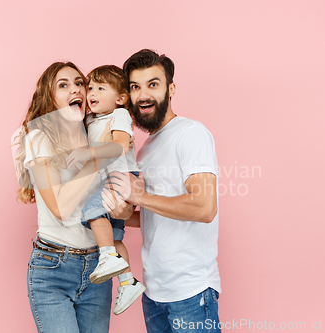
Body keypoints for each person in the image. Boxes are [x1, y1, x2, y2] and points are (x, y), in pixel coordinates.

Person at [101, 49, 222, 332]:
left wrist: (139, 196)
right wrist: (118, 213)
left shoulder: (190, 133)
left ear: (171, 89)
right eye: (135, 87)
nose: (143, 94)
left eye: (153, 84)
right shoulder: (144, 150)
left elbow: (204, 207)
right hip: (154, 293)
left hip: (191, 293)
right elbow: (155, 213)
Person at [13, 62, 115, 333]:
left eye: (79, 83)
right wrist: (100, 156)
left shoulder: (96, 132)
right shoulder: (38, 138)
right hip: (54, 268)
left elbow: (108, 208)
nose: (76, 89)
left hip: (98, 268)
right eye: (64, 85)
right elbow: (60, 207)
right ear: (50, 97)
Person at [66, 65, 146, 315]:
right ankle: (128, 282)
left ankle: (107, 256)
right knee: (114, 236)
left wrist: (87, 153)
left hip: (120, 176)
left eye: (101, 88)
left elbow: (121, 145)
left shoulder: (119, 115)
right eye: (90, 87)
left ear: (121, 98)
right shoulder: (91, 119)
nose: (92, 93)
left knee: (91, 211)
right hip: (105, 178)